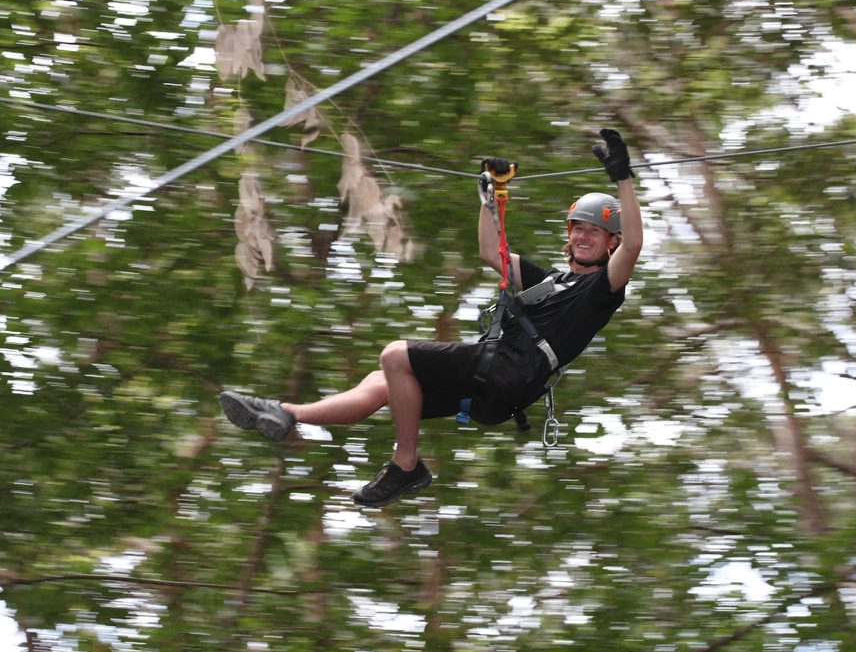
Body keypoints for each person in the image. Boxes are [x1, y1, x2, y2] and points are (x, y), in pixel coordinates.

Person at [219, 128, 643, 508]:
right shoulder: (551, 280)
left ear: (611, 243)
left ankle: (407, 465)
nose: (583, 236)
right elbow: (488, 251)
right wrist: (489, 198)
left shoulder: (602, 289)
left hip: (510, 374)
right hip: (493, 383)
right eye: (577, 228)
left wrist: (622, 178)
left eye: (594, 232)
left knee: (396, 355)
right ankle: (284, 411)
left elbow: (635, 247)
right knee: (381, 383)